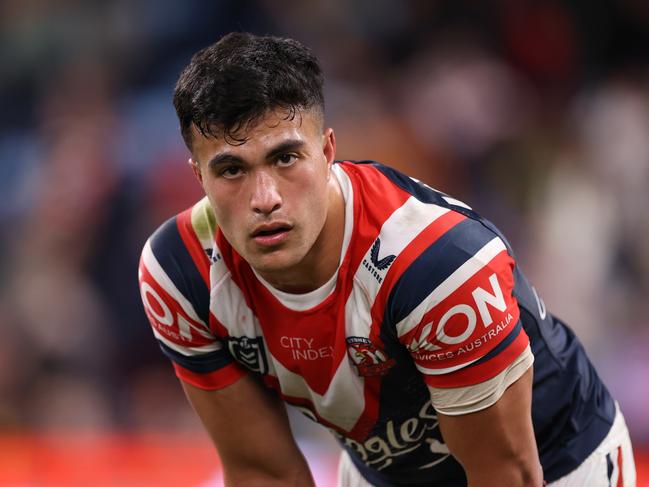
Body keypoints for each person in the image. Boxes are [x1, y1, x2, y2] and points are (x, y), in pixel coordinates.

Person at [137, 32, 636, 486]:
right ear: (197, 177)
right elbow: (262, 472)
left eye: (285, 158)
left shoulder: (438, 264)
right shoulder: (179, 274)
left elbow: (505, 472)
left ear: (328, 150)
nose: (264, 197)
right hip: (387, 473)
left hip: (556, 462)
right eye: (230, 169)